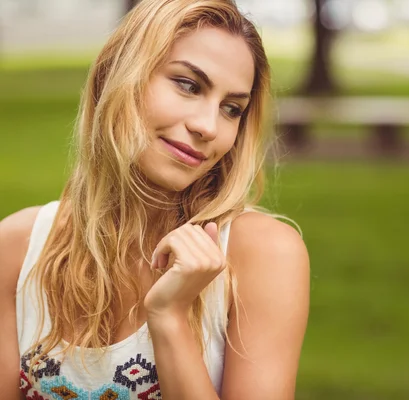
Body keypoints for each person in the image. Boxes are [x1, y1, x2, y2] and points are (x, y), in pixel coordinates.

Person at [0, 0, 310, 399]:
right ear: (117, 74)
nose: (207, 126)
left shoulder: (263, 255)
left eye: (232, 108)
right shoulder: (17, 248)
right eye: (188, 85)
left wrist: (169, 318)